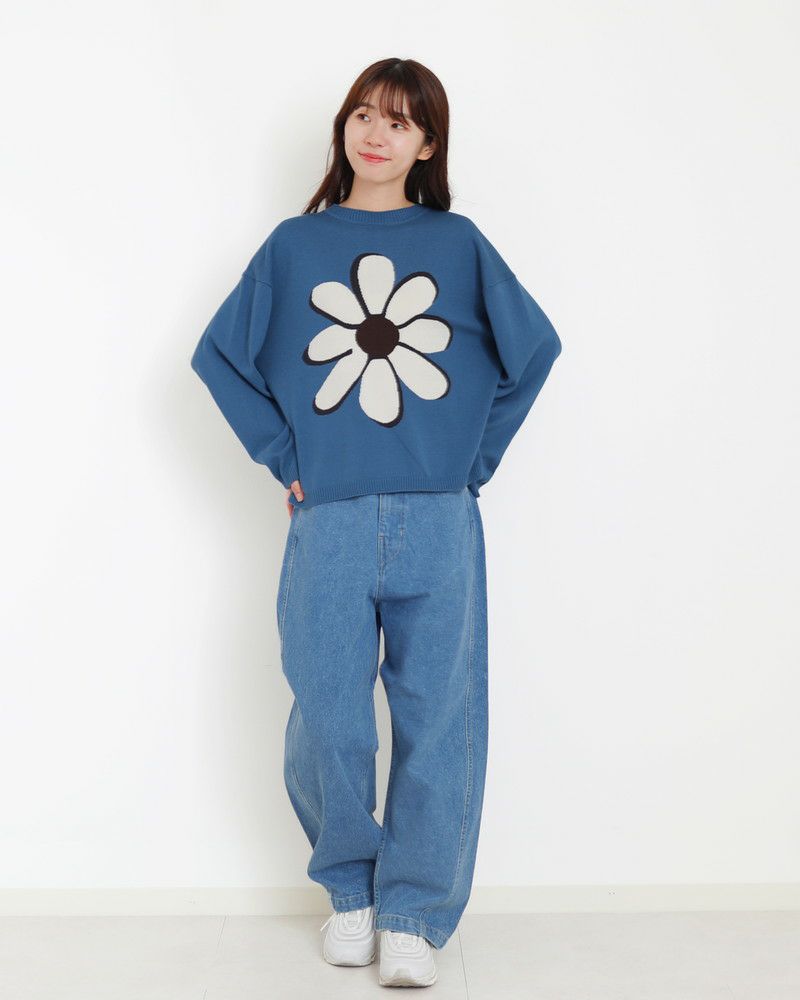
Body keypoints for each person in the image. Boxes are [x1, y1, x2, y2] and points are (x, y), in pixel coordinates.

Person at [190, 57, 562, 989]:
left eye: (400, 121)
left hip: (439, 520)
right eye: (364, 113)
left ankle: (413, 914)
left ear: (428, 144)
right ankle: (351, 894)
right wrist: (286, 455)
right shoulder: (294, 246)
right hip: (331, 518)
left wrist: (474, 459)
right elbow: (218, 357)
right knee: (328, 714)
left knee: (442, 717)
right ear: (345, 127)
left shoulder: (458, 243)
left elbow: (535, 349)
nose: (376, 133)